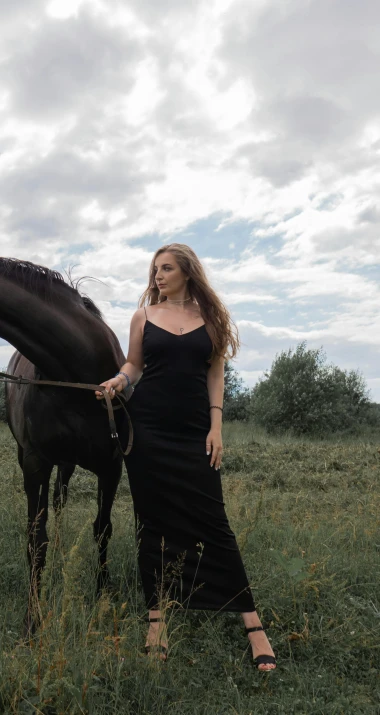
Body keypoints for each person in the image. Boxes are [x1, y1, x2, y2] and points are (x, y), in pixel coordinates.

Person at [94, 243, 276, 671]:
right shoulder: (144, 316)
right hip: (148, 430)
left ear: (187, 272)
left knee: (214, 522)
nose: (157, 275)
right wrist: (117, 382)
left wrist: (216, 427)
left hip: (195, 430)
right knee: (152, 522)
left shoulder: (211, 319)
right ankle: (156, 620)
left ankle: (252, 623)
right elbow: (134, 366)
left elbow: (216, 374)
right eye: (155, 269)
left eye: (166, 268)